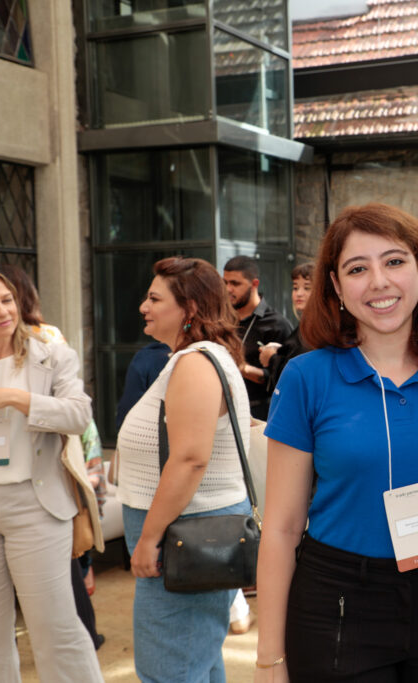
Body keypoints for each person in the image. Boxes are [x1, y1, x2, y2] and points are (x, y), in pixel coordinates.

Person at [254, 203, 418, 682]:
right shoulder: (306, 377)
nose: (379, 281)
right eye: (357, 268)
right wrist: (269, 658)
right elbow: (280, 527)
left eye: (394, 261)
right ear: (336, 286)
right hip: (338, 599)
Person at [0, 267, 104, 683]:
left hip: (35, 504)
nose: (2, 311)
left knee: (55, 625)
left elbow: (79, 415)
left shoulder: (51, 353)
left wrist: (18, 399)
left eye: (6, 299)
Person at [117, 256, 253, 683]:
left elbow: (190, 458)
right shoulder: (197, 358)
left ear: (189, 309)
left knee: (169, 669)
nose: (144, 306)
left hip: (183, 534)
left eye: (155, 298)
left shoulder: (194, 362)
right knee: (195, 662)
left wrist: (150, 537)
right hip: (187, 530)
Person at [223, 256, 294, 420]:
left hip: (261, 416)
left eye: (235, 283)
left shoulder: (277, 324)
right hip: (224, 413)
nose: (228, 289)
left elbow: (285, 379)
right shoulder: (222, 320)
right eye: (225, 282)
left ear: (254, 284)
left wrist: (241, 367)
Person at [260, 261, 314, 395]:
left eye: (307, 288)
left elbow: (298, 375)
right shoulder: (306, 325)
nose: (299, 294)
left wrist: (272, 358)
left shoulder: (316, 329)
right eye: (295, 288)